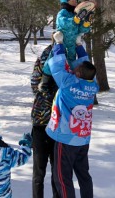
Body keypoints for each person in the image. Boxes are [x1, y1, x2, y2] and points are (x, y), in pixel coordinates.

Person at [46, 31, 99, 198]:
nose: (73, 67)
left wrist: (59, 44)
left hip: (66, 138)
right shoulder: (93, 85)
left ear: (77, 74)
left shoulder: (68, 83)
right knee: (84, 175)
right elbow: (87, 67)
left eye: (75, 69)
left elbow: (57, 66)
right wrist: (78, 46)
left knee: (62, 177)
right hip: (83, 138)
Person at [31, 43, 60, 198]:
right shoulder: (69, 55)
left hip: (44, 120)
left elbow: (34, 84)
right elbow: (35, 84)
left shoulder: (44, 56)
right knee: (56, 171)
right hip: (54, 122)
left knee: (41, 171)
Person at [42, 0, 92, 78]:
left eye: (76, 1)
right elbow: (62, 22)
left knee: (71, 63)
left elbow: (81, 29)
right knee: (54, 61)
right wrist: (74, 20)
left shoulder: (76, 14)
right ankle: (45, 81)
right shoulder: (62, 12)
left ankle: (70, 81)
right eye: (72, 1)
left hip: (72, 45)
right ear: (65, 1)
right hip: (61, 41)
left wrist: (86, 23)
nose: (75, 3)